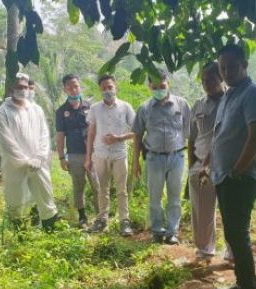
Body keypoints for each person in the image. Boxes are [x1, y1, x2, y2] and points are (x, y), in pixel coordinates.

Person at [207, 44, 256, 289]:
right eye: (222, 68)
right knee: (233, 235)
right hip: (225, 175)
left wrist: (237, 170)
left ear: (244, 64)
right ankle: (242, 284)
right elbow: (222, 134)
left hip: (241, 178)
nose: (226, 72)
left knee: (239, 235)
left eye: (231, 67)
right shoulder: (229, 96)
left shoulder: (254, 95)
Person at [132, 69, 192, 244]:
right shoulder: (144, 108)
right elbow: (137, 135)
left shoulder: (182, 105)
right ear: (149, 86)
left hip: (177, 157)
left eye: (162, 86)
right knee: (155, 198)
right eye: (155, 87)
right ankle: (157, 231)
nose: (159, 89)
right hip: (154, 158)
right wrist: (135, 161)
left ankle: (172, 231)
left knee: (174, 197)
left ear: (168, 84)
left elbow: (190, 134)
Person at [0, 73, 59, 231]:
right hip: (14, 165)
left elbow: (44, 135)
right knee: (16, 198)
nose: (23, 90)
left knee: (45, 196)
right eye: (19, 87)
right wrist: (24, 161)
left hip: (39, 163)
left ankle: (50, 232)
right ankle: (20, 236)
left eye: (25, 87)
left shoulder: (36, 109)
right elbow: (7, 141)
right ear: (11, 88)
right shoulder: (2, 112)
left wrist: (39, 157)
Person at [188, 61, 231, 263]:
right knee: (201, 211)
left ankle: (233, 252)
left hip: (225, 164)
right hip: (199, 165)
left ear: (221, 77)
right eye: (204, 80)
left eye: (211, 79)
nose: (207, 84)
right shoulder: (198, 105)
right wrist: (191, 166)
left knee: (230, 211)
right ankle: (205, 249)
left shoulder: (231, 101)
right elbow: (191, 137)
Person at [84, 74, 135, 236]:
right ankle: (102, 220)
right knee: (102, 190)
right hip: (100, 155)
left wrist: (119, 138)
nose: (107, 90)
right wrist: (88, 157)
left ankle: (124, 221)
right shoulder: (94, 109)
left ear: (115, 87)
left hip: (119, 155)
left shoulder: (125, 107)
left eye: (110, 87)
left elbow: (136, 131)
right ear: (100, 90)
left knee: (122, 190)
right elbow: (91, 132)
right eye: (104, 88)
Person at [56, 74, 100, 227]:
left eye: (76, 86)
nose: (74, 90)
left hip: (93, 154)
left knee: (97, 185)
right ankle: (82, 217)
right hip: (74, 154)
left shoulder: (90, 107)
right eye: (69, 87)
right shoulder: (61, 111)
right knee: (78, 185)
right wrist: (61, 157)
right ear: (65, 89)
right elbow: (60, 136)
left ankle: (101, 216)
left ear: (79, 86)